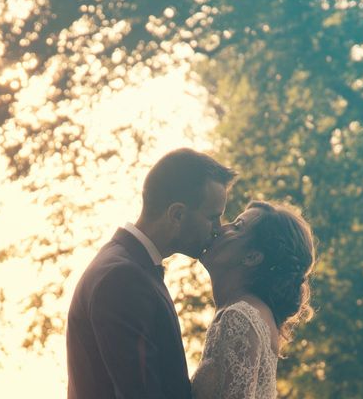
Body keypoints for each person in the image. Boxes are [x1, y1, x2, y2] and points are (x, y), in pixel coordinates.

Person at [66, 148, 236, 399]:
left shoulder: (128, 265)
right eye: (213, 217)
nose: (217, 230)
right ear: (177, 214)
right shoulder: (122, 278)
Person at [192, 200, 316, 399]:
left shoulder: (240, 317)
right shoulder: (252, 313)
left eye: (237, 226)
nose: (222, 228)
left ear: (252, 257)